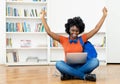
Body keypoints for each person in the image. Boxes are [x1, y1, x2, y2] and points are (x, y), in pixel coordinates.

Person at [40, 7, 107, 81]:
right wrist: (42, 18)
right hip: (68, 67)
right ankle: (84, 76)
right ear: (68, 29)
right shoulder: (63, 40)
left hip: (81, 67)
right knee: (58, 64)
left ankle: (70, 76)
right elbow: (49, 32)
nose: (74, 33)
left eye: (77, 31)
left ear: (80, 31)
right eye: (72, 30)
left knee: (95, 61)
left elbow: (96, 29)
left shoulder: (82, 39)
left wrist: (104, 16)